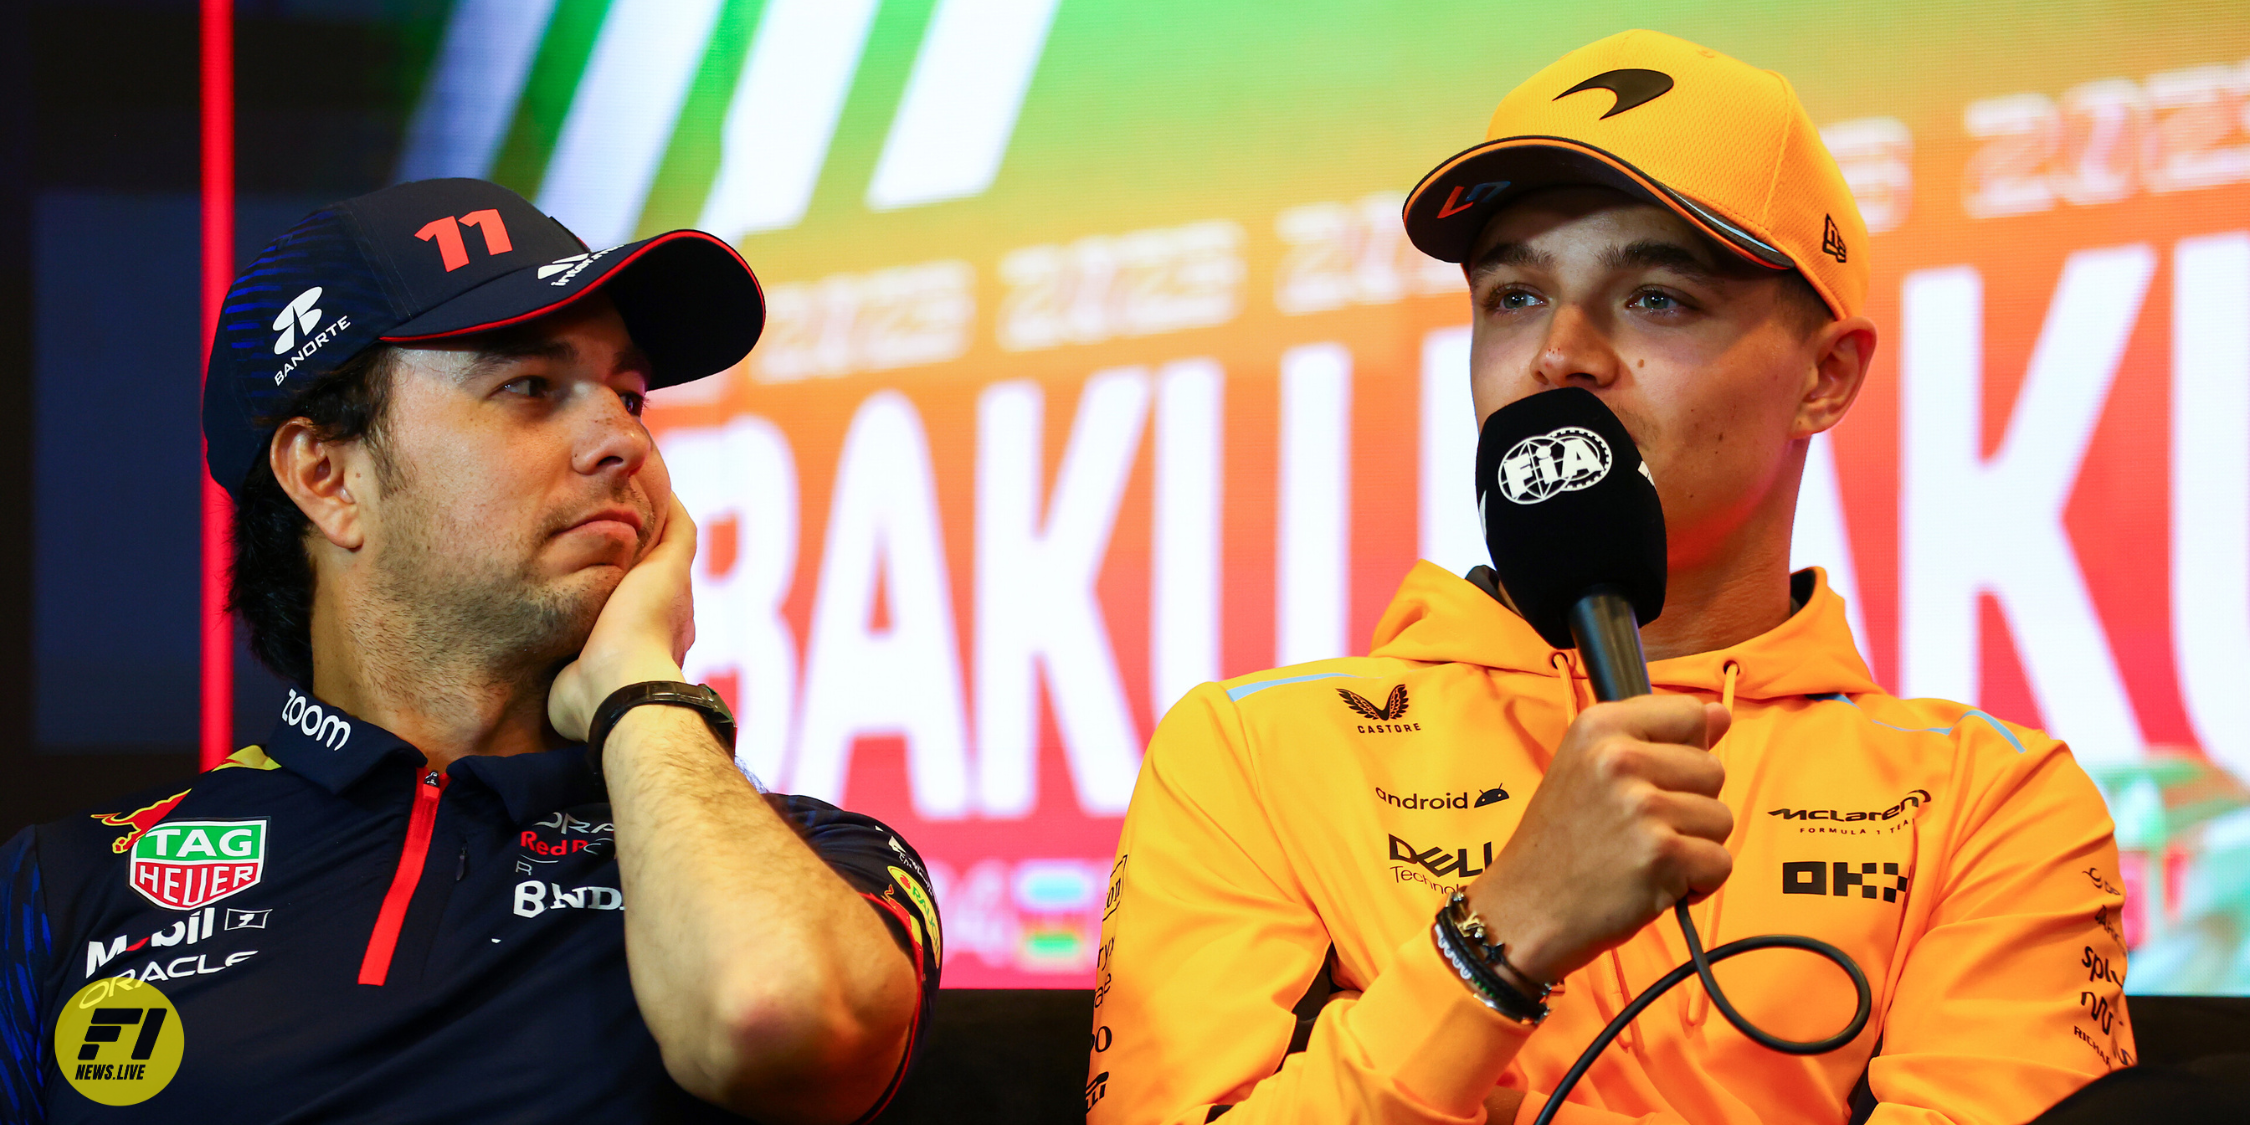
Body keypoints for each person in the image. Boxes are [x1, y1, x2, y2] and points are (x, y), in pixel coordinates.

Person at [1087, 30, 2135, 1125]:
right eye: (1515, 296)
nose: (1561, 354)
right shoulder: (1250, 751)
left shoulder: (1993, 801)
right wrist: (1496, 943)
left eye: (1657, 298)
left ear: (1826, 376)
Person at [0, 179, 942, 1124]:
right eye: (529, 387)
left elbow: (778, 1019)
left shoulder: (814, 860)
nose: (623, 440)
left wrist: (640, 692)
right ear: (327, 477)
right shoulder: (62, 887)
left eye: (630, 396)